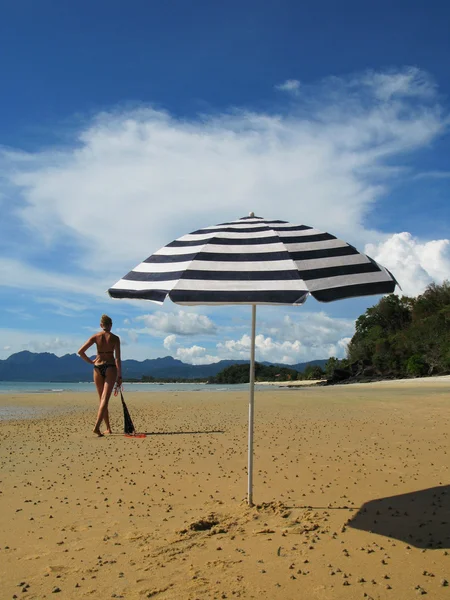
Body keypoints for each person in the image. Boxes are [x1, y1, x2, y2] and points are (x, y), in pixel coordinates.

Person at [78, 314, 122, 436]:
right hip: (110, 367)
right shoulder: (115, 338)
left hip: (97, 367)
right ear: (111, 325)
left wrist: (90, 361)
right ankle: (97, 427)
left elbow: (80, 352)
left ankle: (108, 428)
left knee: (102, 399)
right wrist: (119, 376)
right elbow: (117, 359)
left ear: (101, 325)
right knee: (105, 399)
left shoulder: (96, 337)